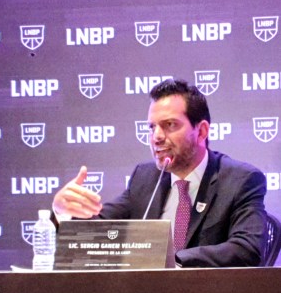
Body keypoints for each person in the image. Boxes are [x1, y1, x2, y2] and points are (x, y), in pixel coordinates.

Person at [52, 79, 267, 267]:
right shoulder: (145, 178)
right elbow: (95, 234)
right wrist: (63, 213)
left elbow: (247, 249)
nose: (156, 137)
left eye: (170, 125)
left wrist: (169, 261)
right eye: (152, 127)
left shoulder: (240, 180)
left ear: (201, 131)